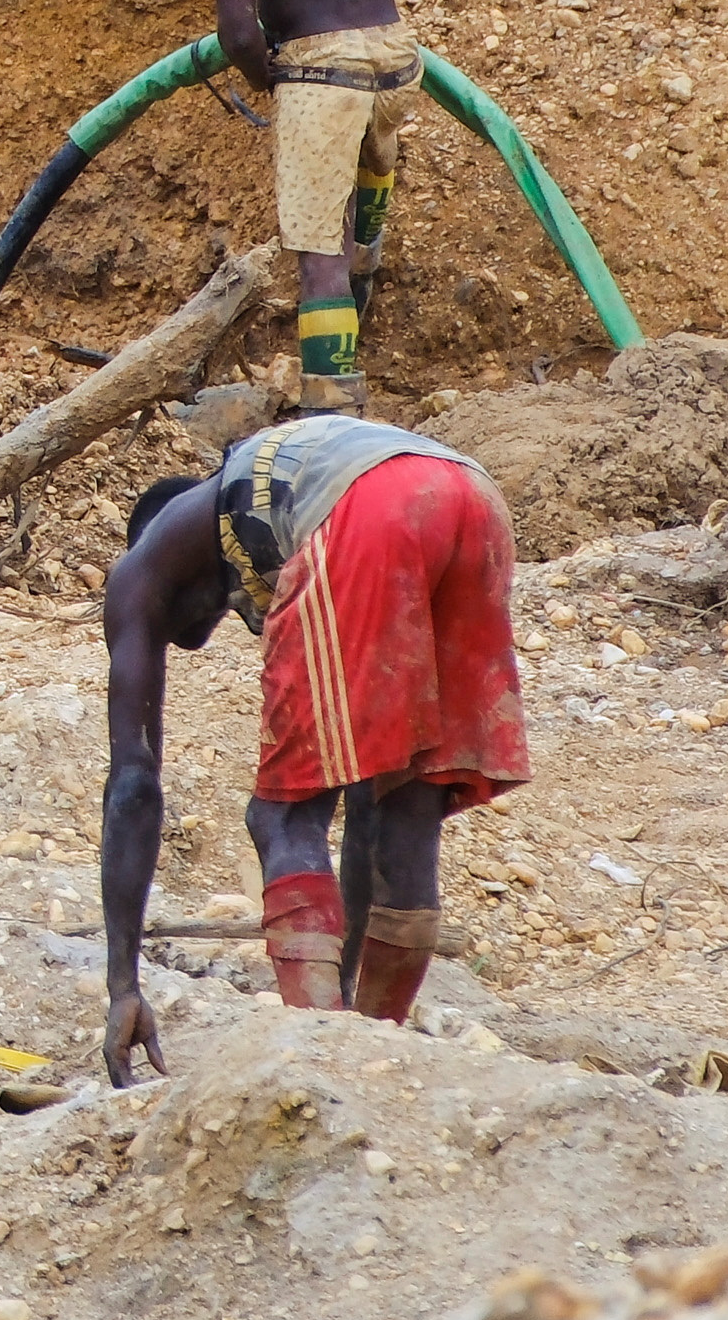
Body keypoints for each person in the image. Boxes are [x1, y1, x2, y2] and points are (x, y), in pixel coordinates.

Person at [97, 417, 527, 1081]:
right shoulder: (261, 511)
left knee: (283, 814)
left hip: (371, 506)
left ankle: (328, 1063)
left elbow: (133, 783)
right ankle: (375, 1058)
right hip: (470, 497)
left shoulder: (143, 567)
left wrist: (123, 984)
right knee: (398, 799)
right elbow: (360, 803)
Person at [176, 0, 451, 414]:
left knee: (318, 251)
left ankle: (331, 414)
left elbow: (238, 30)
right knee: (365, 187)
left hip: (321, 76)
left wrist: (271, 69)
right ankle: (366, 279)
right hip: (393, 56)